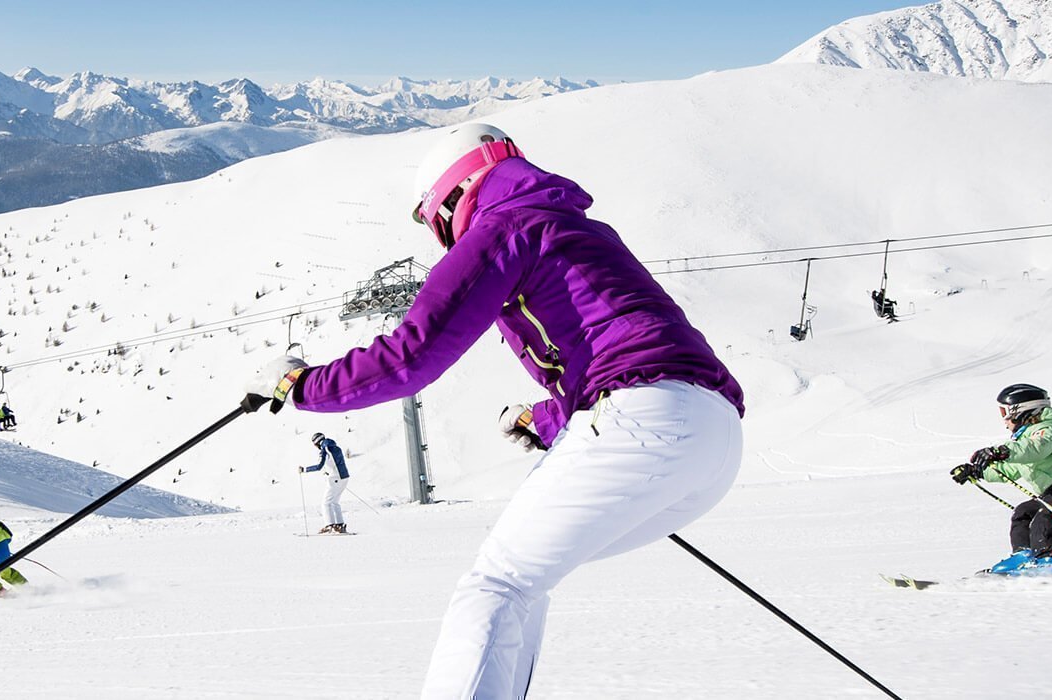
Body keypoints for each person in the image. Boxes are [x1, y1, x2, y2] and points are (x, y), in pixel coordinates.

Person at [244, 123, 745, 698]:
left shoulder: (504, 224)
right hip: (714, 438)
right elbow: (627, 339)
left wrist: (300, 384)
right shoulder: (580, 227)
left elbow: (413, 355)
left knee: (496, 586)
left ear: (451, 200)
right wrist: (552, 419)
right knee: (523, 583)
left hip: (644, 419)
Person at [951, 384, 1052, 576]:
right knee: (1023, 513)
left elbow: (1035, 449)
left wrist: (1001, 451)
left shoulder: (1047, 428)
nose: (1004, 420)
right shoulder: (1022, 441)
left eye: (1004, 412)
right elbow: (1012, 468)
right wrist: (977, 471)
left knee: (1045, 518)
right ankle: (1024, 556)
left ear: (1020, 411)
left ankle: (1050, 561)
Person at [301, 432, 350, 534]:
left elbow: (319, 466)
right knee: (334, 502)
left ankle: (330, 526)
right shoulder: (334, 446)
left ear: (317, 442)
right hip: (344, 477)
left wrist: (304, 469)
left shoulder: (325, 449)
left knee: (326, 503)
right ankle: (339, 526)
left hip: (335, 478)